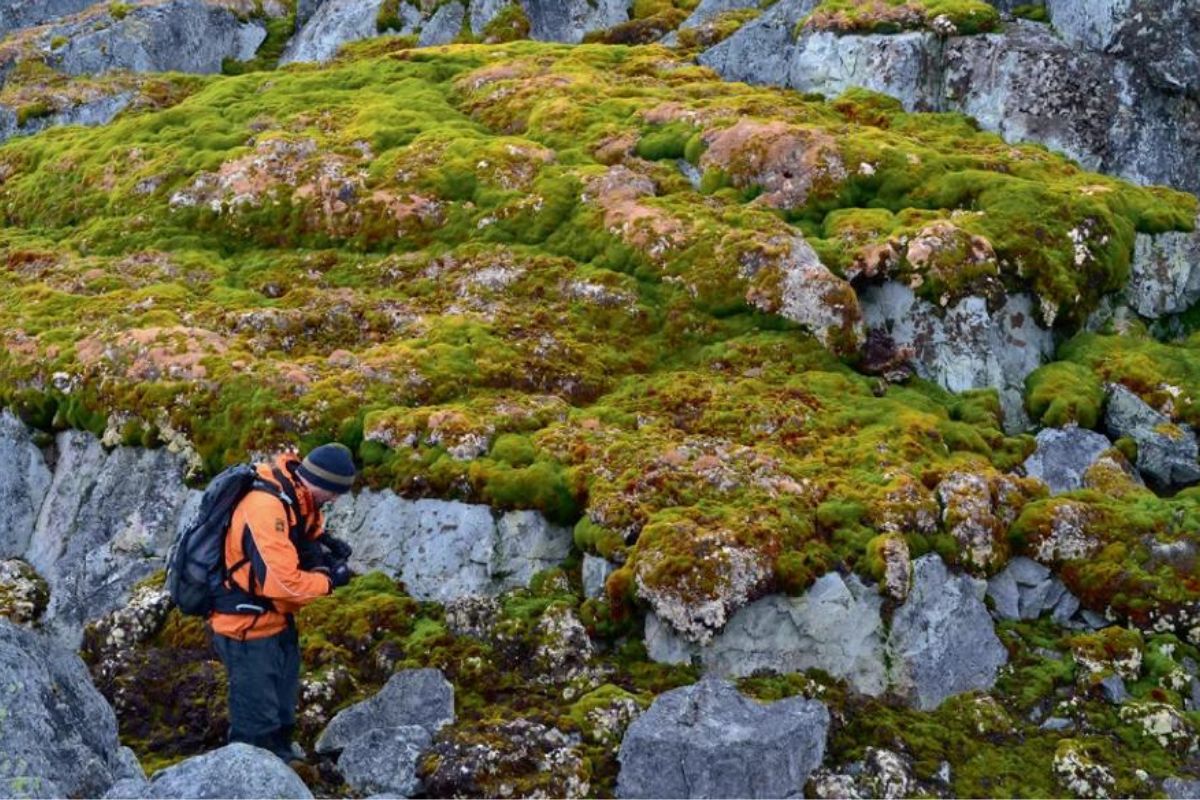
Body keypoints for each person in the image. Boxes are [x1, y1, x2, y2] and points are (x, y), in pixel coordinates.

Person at [207, 443, 357, 762]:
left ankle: (283, 764)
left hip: (275, 621)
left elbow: (306, 537)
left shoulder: (296, 496)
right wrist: (329, 581)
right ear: (323, 483)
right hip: (245, 627)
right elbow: (282, 583)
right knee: (256, 726)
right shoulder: (266, 506)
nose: (335, 500)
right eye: (335, 493)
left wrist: (321, 556)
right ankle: (246, 780)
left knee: (282, 715)